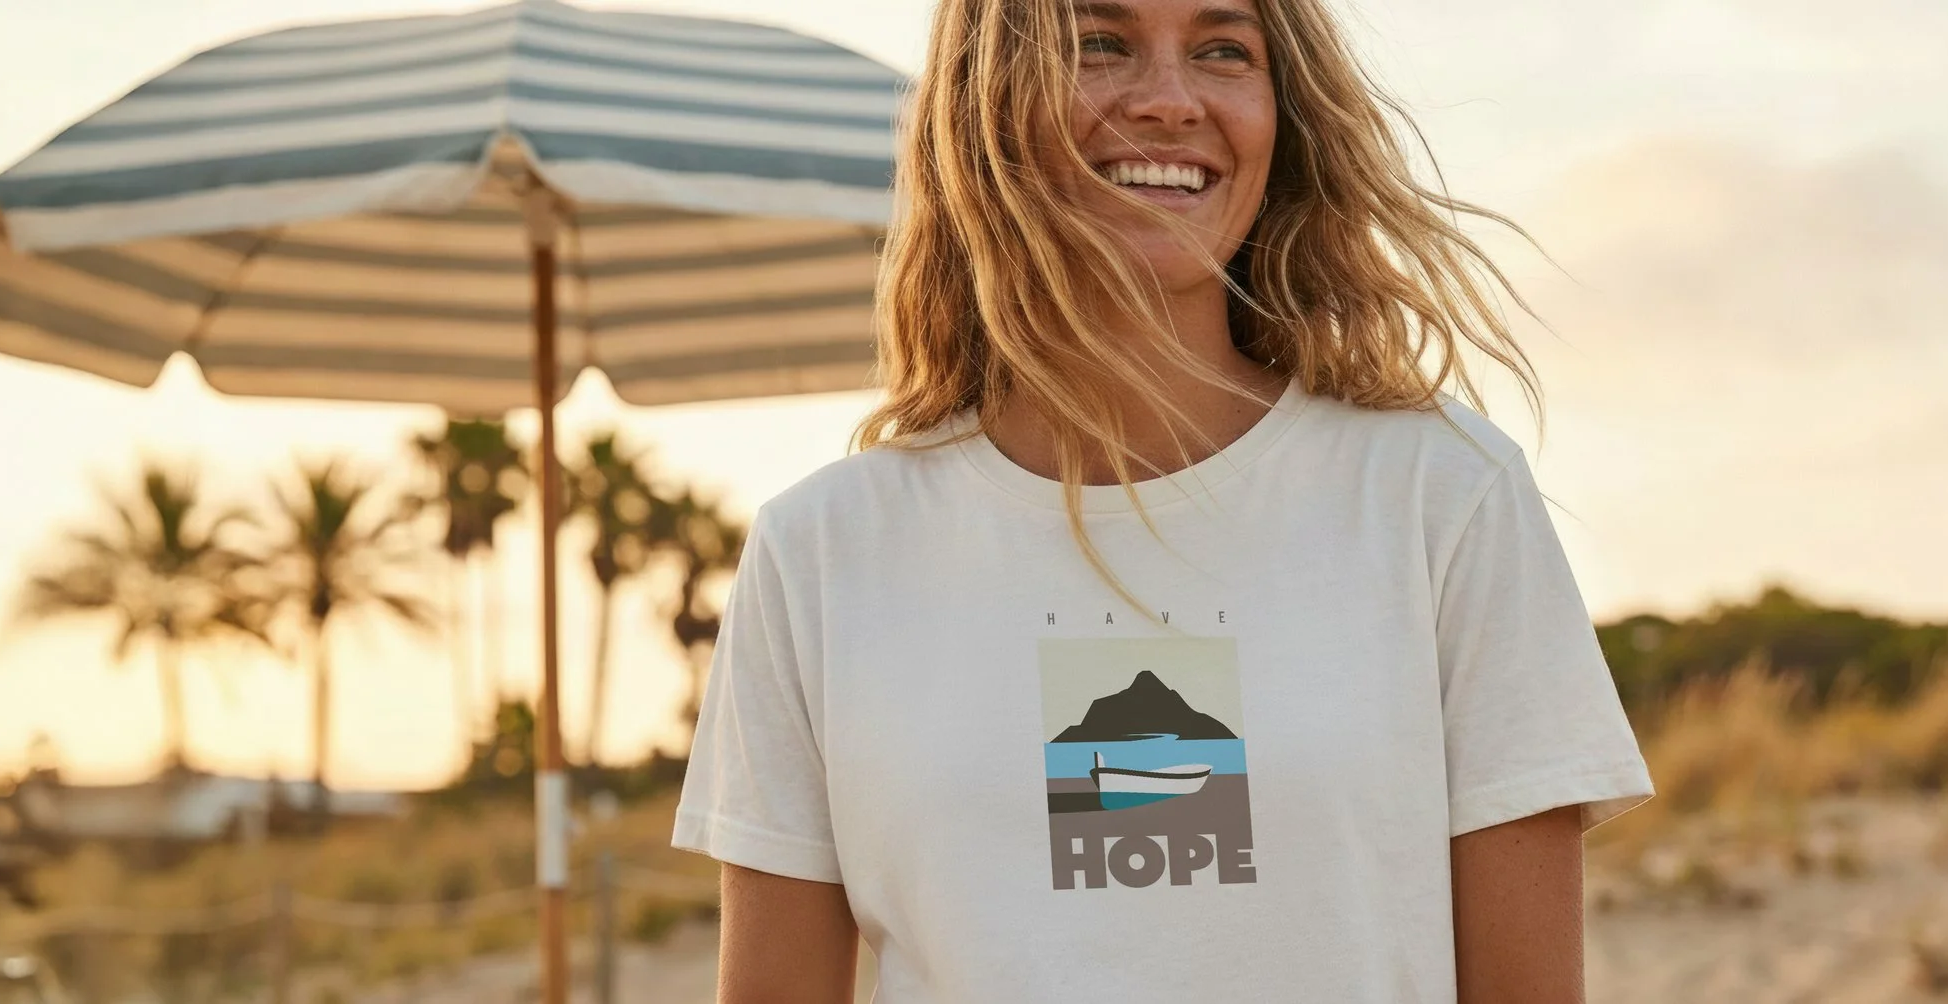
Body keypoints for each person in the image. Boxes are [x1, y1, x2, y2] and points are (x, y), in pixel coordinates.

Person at [672, 0, 1653, 999]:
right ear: (984, 107)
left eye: (1223, 50)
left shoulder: (1441, 496)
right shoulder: (823, 553)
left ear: (1284, 113)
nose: (1171, 100)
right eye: (1101, 45)